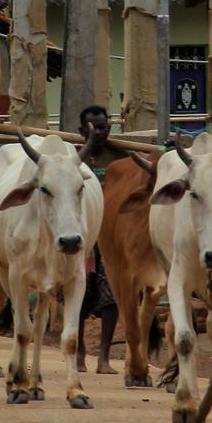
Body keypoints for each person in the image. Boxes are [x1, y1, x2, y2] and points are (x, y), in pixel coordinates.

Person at [76, 105, 127, 374]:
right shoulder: (72, 160)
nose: (100, 132)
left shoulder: (119, 158)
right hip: (82, 236)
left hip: (111, 235)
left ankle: (104, 358)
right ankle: (80, 354)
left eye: (105, 126)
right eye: (94, 127)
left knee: (111, 296)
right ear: (82, 131)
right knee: (80, 292)